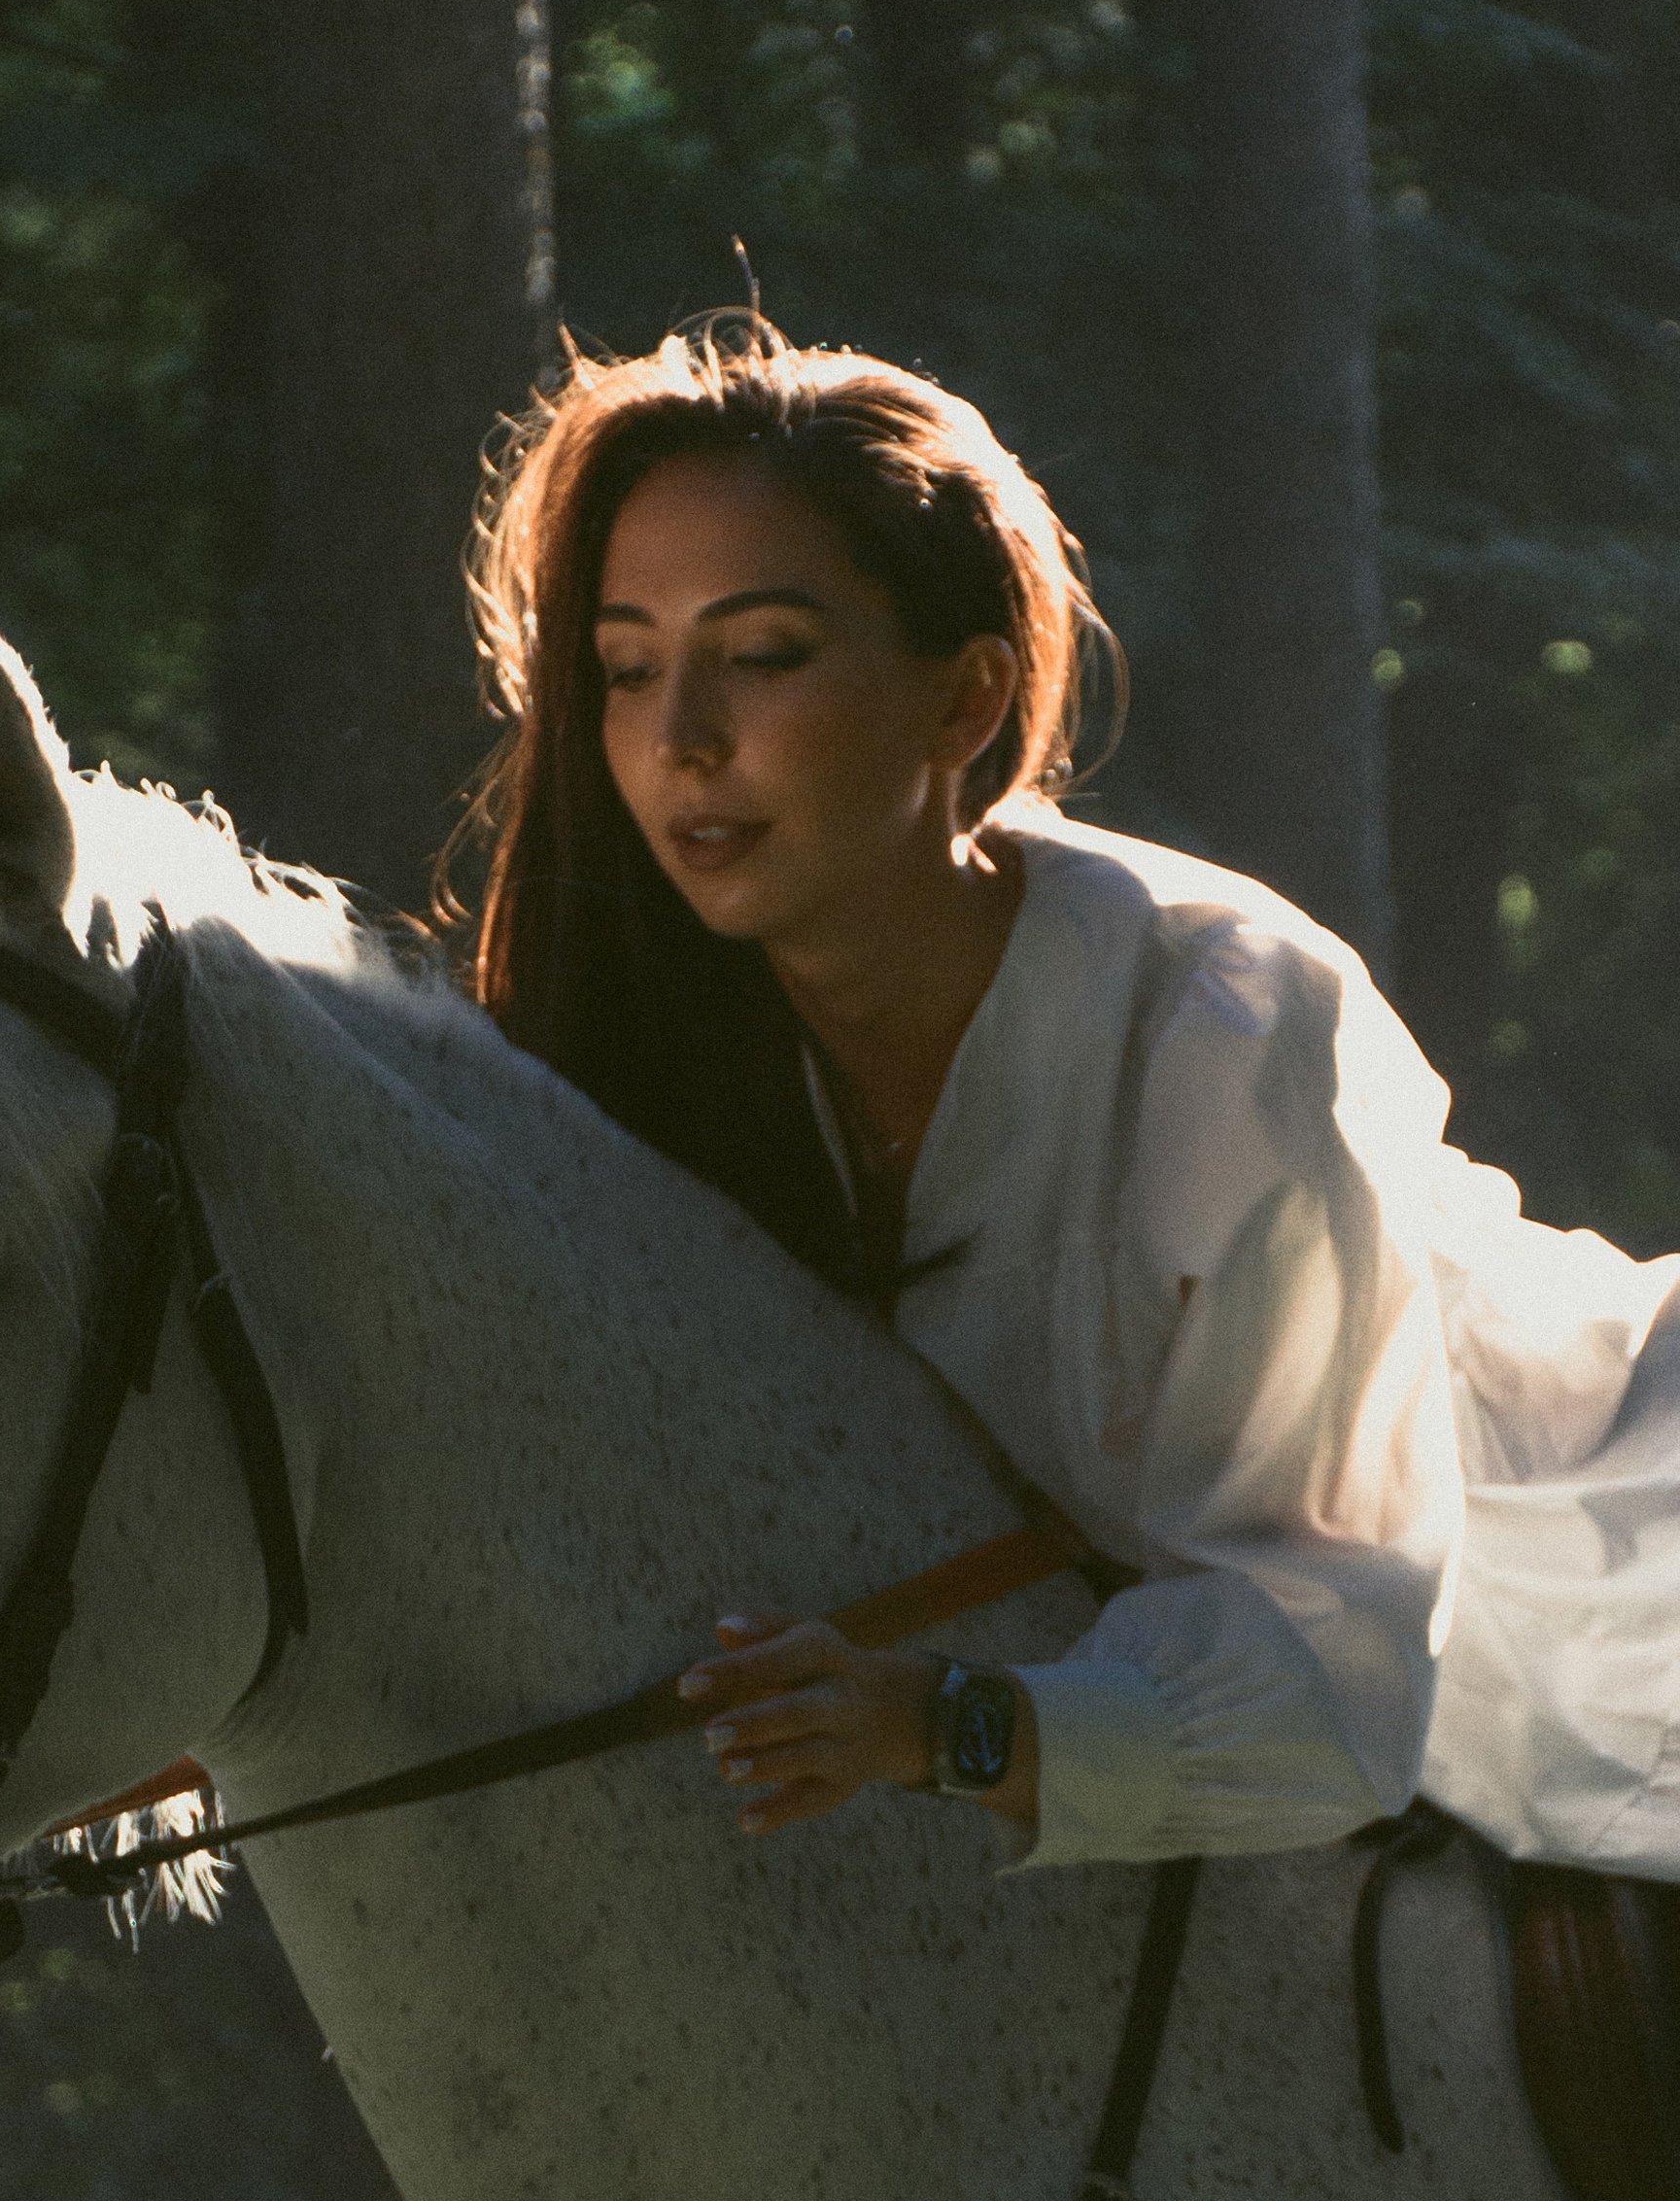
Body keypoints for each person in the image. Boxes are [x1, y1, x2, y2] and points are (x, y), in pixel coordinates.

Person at [452, 317, 1680, 1874]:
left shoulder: (1227, 1029)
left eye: (763, 655)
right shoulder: (641, 1060)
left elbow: (1336, 1648)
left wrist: (943, 1728)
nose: (681, 739)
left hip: (1612, 1577)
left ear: (966, 700)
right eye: (629, 669)